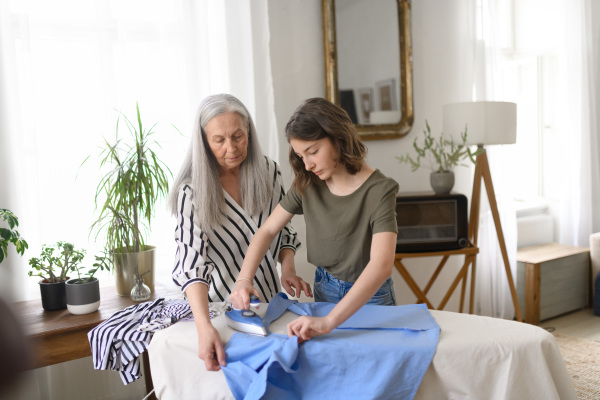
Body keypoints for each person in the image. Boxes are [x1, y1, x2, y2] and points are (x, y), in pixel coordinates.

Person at [230, 97, 399, 342]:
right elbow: (267, 231)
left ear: (338, 138)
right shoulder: (308, 184)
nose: (307, 165)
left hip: (371, 296)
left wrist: (329, 321)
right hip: (325, 288)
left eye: (313, 152)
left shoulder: (380, 190)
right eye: (301, 156)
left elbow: (381, 265)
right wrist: (243, 280)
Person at [169, 93, 312, 371]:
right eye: (219, 140)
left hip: (271, 303)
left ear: (249, 133)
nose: (231, 147)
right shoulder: (192, 193)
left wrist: (288, 269)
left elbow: (283, 230)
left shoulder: (269, 171)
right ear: (204, 143)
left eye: (238, 136)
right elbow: (191, 266)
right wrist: (204, 327)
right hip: (220, 311)